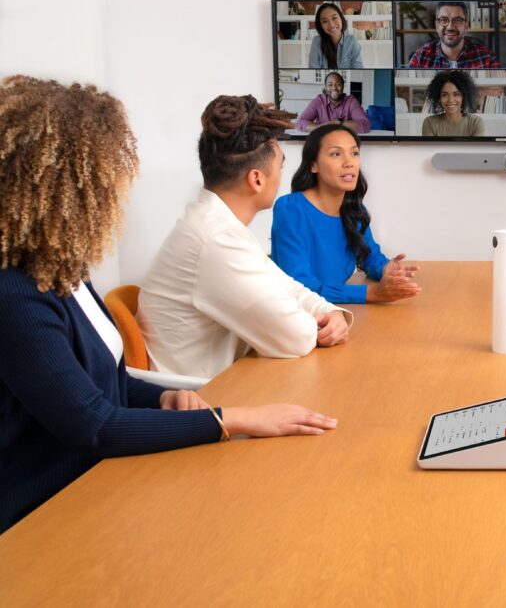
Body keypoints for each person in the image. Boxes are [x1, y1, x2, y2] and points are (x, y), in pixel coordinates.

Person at [0, 76, 338, 534]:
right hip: (47, 515)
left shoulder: (62, 271)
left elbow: (108, 384)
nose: (116, 191)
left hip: (105, 481)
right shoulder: (15, 295)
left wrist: (162, 398)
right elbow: (94, 425)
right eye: (104, 178)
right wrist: (232, 419)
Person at [137, 95, 354, 379]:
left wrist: (330, 313)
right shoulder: (215, 239)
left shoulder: (221, 226)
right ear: (257, 179)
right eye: (279, 167)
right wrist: (318, 321)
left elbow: (288, 287)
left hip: (233, 380)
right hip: (204, 399)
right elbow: (296, 337)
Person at [272, 124, 420, 304]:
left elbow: (369, 256)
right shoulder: (291, 209)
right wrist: (370, 293)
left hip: (337, 310)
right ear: (313, 165)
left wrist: (386, 270)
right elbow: (299, 285)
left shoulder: (354, 210)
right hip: (301, 315)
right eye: (336, 154)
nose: (349, 162)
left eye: (354, 153)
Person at [406, 1, 500, 68]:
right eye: (443, 20)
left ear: (466, 26)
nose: (450, 27)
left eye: (457, 20)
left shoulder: (487, 57)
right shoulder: (420, 57)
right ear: (437, 26)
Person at [296, 72, 370, 134]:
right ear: (325, 87)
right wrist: (321, 128)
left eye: (338, 84)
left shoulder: (351, 102)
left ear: (343, 87)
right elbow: (300, 122)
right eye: (330, 85)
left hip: (345, 141)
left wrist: (338, 123)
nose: (334, 88)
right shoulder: (318, 101)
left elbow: (365, 124)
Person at [421, 70, 485, 137]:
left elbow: (477, 147)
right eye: (444, 95)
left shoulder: (476, 123)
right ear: (438, 97)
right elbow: (430, 147)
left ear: (464, 96)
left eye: (456, 94)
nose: (450, 100)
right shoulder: (429, 123)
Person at [308, 2, 364, 69]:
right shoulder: (317, 42)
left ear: (341, 18)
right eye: (325, 21)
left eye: (334, 18)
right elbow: (313, 70)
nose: (331, 25)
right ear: (320, 25)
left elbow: (358, 69)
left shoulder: (352, 41)